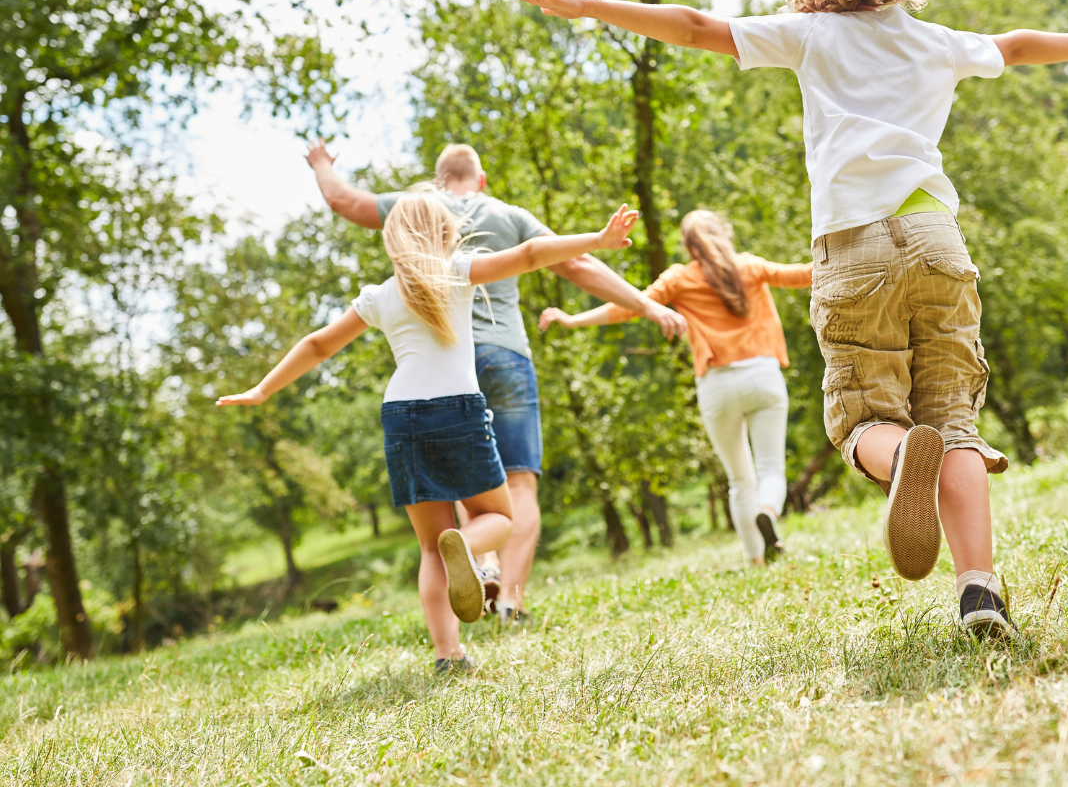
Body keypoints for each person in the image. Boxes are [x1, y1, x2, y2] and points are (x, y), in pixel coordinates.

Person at [509, 0, 1068, 637]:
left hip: (853, 245)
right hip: (939, 240)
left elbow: (691, 25)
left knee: (865, 417)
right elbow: (1020, 45)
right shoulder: (932, 40)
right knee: (954, 421)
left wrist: (590, 7)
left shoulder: (811, 35)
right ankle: (979, 592)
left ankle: (902, 454)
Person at [217, 191, 640, 671]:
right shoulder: (457, 271)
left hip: (400, 415)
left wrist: (262, 389)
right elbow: (528, 254)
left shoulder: (378, 296)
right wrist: (598, 240)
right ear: (445, 234)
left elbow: (317, 345)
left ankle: (447, 654)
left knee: (428, 546)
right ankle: (468, 545)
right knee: (499, 519)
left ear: (393, 239)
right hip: (457, 409)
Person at [304, 141, 686, 623]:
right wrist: (646, 304)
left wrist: (321, 163)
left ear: (438, 180)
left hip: (442, 370)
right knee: (518, 486)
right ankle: (511, 599)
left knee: (469, 483)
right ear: (480, 180)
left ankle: (481, 566)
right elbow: (572, 263)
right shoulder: (507, 213)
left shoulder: (415, 207)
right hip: (506, 357)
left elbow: (344, 201)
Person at [540, 209, 811, 565]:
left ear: (688, 246)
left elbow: (631, 305)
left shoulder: (680, 279)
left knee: (738, 479)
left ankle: (754, 560)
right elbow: (805, 275)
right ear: (723, 234)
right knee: (770, 470)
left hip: (717, 386)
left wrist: (575, 319)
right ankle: (768, 512)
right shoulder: (751, 266)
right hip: (762, 375)